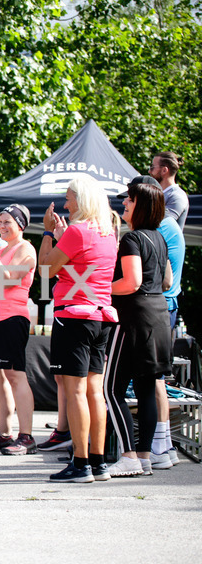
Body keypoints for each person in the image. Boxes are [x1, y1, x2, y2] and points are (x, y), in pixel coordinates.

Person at [39, 175, 118, 482]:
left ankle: (81, 463)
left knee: (74, 392)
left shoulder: (78, 231)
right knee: (94, 392)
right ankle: (97, 462)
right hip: (101, 316)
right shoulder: (107, 232)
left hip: (73, 316)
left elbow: (46, 271)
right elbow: (80, 264)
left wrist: (48, 232)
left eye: (70, 197)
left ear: (82, 200)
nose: (66, 202)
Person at [104, 176, 172, 477]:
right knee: (146, 389)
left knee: (110, 389)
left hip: (133, 318)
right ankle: (144, 456)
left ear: (140, 204)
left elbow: (131, 282)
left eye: (129, 200)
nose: (124, 204)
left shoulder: (132, 239)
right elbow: (167, 280)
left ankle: (129, 455)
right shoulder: (159, 238)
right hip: (158, 315)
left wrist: (99, 286)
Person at [0, 204, 37, 455]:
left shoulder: (26, 249)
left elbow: (8, 279)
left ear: (20, 225)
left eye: (7, 222)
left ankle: (27, 435)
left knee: (14, 375)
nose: (1, 226)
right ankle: (3, 432)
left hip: (12, 317)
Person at [152, 211, 186, 468]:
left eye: (130, 199)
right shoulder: (166, 226)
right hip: (163, 307)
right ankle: (164, 446)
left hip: (158, 307)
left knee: (154, 379)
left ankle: (162, 447)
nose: (125, 206)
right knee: (155, 379)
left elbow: (165, 280)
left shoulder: (160, 228)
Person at [148, 151, 188, 230]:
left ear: (164, 170)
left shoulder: (177, 196)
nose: (149, 171)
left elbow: (162, 224)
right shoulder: (157, 193)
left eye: (152, 167)